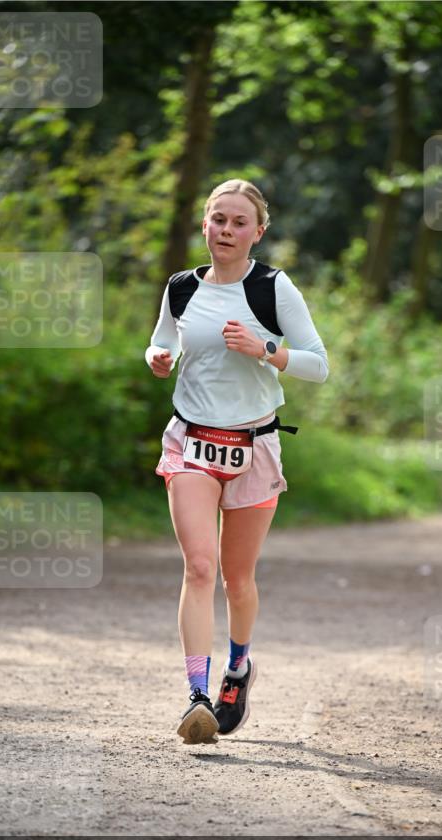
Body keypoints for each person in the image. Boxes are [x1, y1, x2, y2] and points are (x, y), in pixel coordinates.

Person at [146, 179, 329, 744]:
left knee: (236, 578)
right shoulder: (181, 287)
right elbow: (165, 342)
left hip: (254, 445)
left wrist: (266, 351)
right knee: (199, 567)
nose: (226, 230)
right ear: (204, 224)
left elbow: (318, 364)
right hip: (191, 441)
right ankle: (197, 696)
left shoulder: (273, 288)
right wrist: (158, 357)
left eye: (238, 222)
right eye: (217, 219)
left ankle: (238, 667)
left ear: (258, 231)